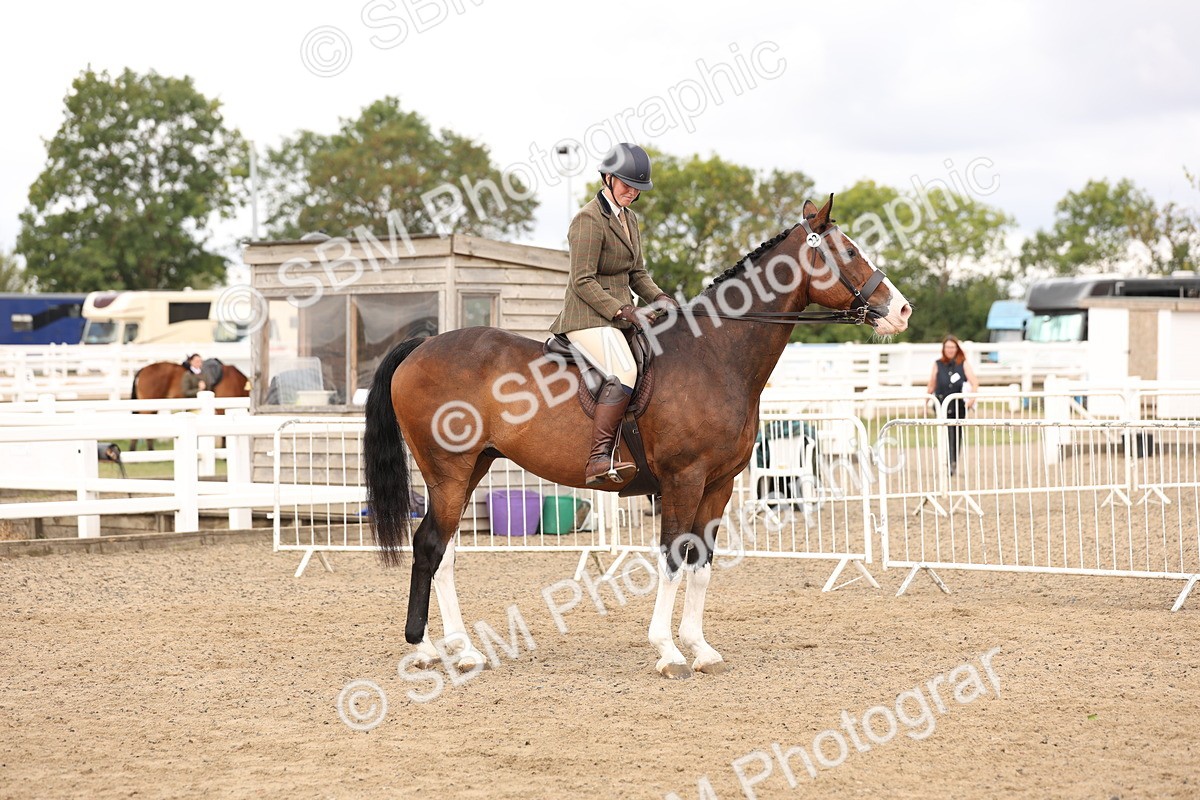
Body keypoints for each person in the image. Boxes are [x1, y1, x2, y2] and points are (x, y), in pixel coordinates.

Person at [549, 143, 678, 487]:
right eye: (626, 185)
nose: (631, 193)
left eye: (637, 189)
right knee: (625, 368)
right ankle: (598, 458)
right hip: (586, 317)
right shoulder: (588, 220)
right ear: (608, 178)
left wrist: (662, 298)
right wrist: (624, 309)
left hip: (619, 317)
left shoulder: (630, 219)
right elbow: (582, 280)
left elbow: (637, 274)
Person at [926, 335, 978, 476]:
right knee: (944, 433)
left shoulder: (963, 363)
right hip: (942, 404)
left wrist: (971, 399)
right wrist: (925, 400)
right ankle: (945, 461)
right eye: (947, 347)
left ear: (957, 348)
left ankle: (952, 461)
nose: (950, 350)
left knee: (955, 434)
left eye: (952, 347)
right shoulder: (938, 364)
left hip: (958, 406)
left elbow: (974, 382)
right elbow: (932, 383)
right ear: (944, 349)